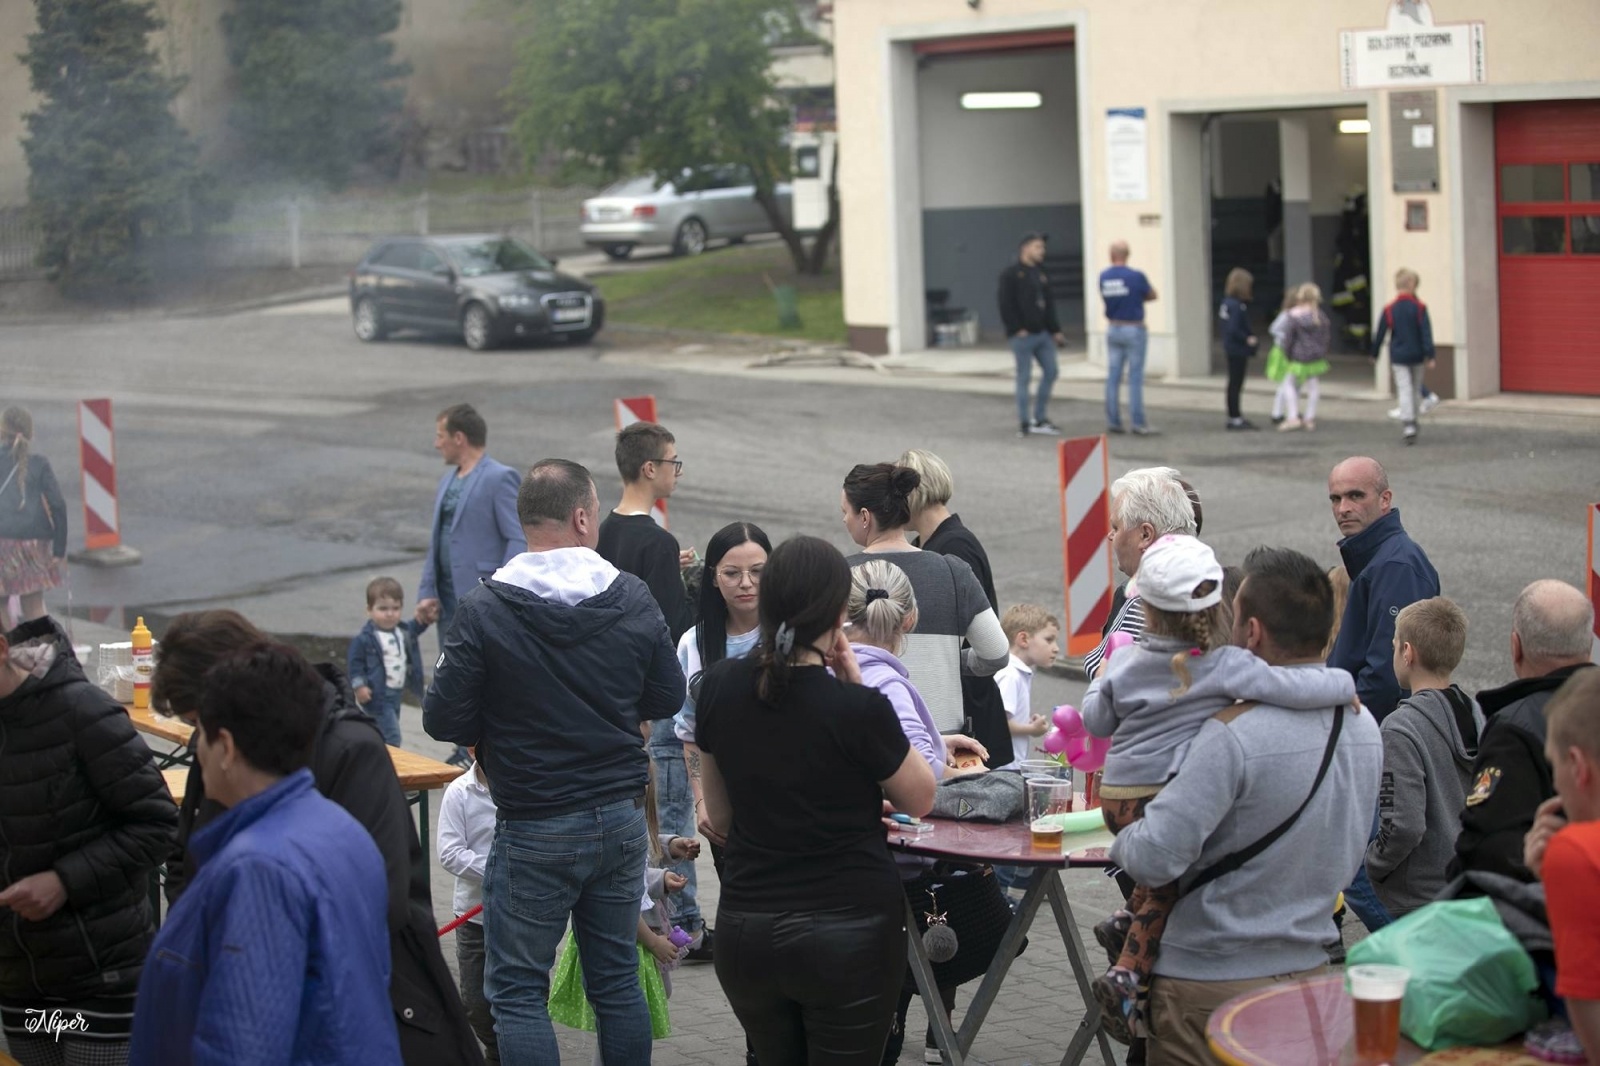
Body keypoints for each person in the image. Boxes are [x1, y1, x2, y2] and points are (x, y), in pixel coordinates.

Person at [424, 458, 685, 1065]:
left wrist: (496, 722)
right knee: (615, 978)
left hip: (534, 821)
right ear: (583, 517)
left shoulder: (485, 608)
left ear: (525, 521)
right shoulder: (632, 595)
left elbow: (442, 720)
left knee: (518, 991)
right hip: (619, 816)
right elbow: (667, 696)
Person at [153, 609, 483, 1066]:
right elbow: (185, 858)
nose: (198, 741)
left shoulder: (345, 751)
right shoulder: (223, 753)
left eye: (199, 724)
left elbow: (378, 901)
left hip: (349, 1003)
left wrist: (239, 948)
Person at [1110, 547, 1383, 1066]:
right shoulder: (1363, 726)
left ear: (1252, 631)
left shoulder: (1230, 734)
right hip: (1307, 978)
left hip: (1208, 988)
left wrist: (1121, 827)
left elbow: (1154, 858)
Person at [694, 535, 937, 1066]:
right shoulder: (856, 707)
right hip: (848, 932)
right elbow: (920, 797)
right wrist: (856, 689)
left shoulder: (717, 687)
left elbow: (722, 818)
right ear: (837, 614)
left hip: (748, 928)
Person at [130, 643, 398, 1066]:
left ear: (226, 747)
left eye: (201, 735)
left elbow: (241, 1044)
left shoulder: (259, 869)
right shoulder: (340, 828)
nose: (197, 751)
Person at [0, 617, 177, 1066]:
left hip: (102, 981)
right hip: (23, 987)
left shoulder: (81, 710)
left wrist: (63, 881)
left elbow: (158, 825)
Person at [844, 558, 983, 1066]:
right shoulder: (887, 683)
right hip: (893, 869)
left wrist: (937, 739)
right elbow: (917, 775)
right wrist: (947, 765)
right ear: (910, 619)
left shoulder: (833, 675)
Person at [841, 462, 1009, 735]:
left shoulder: (839, 575)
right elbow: (996, 654)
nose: (844, 520)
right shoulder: (954, 572)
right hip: (943, 742)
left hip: (865, 736)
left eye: (845, 512)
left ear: (864, 516)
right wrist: (947, 659)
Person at [675, 521, 773, 968]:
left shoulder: (792, 634)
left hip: (787, 801)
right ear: (713, 576)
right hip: (727, 809)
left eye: (758, 571)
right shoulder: (695, 644)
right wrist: (702, 802)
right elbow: (689, 732)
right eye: (733, 573)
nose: (746, 583)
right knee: (745, 918)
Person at [1455, 579, 1596, 882]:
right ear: (1588, 644)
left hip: (1557, 901)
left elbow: (1486, 851)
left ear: (1515, 646)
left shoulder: (1514, 730)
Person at [416, 403, 526, 768]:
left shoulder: (499, 477)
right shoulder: (448, 480)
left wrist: (498, 589)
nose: (437, 444)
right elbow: (438, 541)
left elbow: (516, 537)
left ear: (459, 438)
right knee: (453, 673)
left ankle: (479, 750)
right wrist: (427, 590)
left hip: (479, 597)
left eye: (440, 436)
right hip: (448, 598)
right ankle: (462, 745)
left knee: (482, 674)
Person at [1365, 597, 1483, 918]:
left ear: (1407, 652)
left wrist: (1374, 863)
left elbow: (1403, 826)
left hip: (1419, 899)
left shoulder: (1400, 729)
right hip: (1469, 885)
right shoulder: (1478, 715)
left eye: (1394, 646)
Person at [899, 448, 1014, 767]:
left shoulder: (954, 547)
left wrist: (938, 658)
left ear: (914, 492)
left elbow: (976, 637)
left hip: (969, 708)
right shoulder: (928, 544)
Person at [1523, 670, 1600, 1064]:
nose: (1556, 787)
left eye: (1554, 769)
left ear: (1577, 766)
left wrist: (1557, 883)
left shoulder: (1574, 853)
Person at [1325, 457, 1441, 721]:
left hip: (1371, 729)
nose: (1343, 508)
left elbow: (1386, 677)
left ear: (1385, 499)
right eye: (1335, 499)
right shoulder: (1377, 559)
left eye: (1356, 496)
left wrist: (1343, 727)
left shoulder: (1396, 566)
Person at [1082, 468, 1198, 680]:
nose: (1110, 536)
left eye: (1116, 527)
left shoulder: (1145, 603)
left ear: (1145, 534)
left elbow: (1109, 684)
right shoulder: (1217, 587)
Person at [598, 421, 695, 642]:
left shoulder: (605, 529)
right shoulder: (659, 543)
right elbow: (674, 628)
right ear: (650, 469)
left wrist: (668, 567)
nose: (679, 472)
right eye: (673, 462)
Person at [438, 748, 501, 1065]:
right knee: (476, 1002)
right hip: (473, 915)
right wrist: (497, 870)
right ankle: (496, 1049)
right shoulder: (459, 792)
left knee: (523, 996)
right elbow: (449, 852)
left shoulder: (530, 784)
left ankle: (510, 1051)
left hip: (522, 914)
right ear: (472, 749)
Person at [0, 408, 68, 631]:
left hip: (2, 542)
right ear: (31, 433)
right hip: (35, 544)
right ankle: (43, 650)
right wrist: (59, 549)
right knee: (33, 605)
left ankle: (9, 650)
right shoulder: (39, 463)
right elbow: (57, 504)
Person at [347, 575, 430, 747]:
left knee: (381, 731)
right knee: (392, 737)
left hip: (395, 693)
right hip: (377, 695)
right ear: (369, 610)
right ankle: (389, 761)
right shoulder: (364, 639)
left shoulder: (402, 631)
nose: (390, 614)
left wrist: (427, 618)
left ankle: (371, 754)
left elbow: (416, 627)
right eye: (383, 608)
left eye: (395, 608)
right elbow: (355, 665)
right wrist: (359, 686)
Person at [996, 232, 1065, 437]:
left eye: (1042, 247)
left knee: (1051, 371)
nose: (1042, 251)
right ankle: (1025, 422)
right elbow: (1005, 304)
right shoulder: (1011, 274)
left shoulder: (1041, 272)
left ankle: (1040, 417)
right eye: (1037, 247)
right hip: (1023, 336)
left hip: (1043, 333)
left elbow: (1049, 304)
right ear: (1025, 248)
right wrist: (1016, 328)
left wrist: (1055, 330)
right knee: (1024, 377)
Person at [1099, 240, 1158, 436]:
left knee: (1113, 376)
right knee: (1135, 377)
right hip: (1133, 328)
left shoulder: (1104, 277)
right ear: (1127, 255)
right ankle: (1137, 422)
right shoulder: (1136, 276)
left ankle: (1113, 421)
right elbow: (1152, 295)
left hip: (1113, 327)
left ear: (1111, 255)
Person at [1372, 268, 1436, 445]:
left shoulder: (1389, 309)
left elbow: (1380, 333)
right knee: (1415, 388)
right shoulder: (1420, 308)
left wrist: (1375, 353)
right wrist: (1430, 354)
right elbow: (1426, 333)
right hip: (1417, 355)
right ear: (1412, 285)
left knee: (1404, 388)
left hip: (1398, 355)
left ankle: (1408, 424)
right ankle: (1414, 418)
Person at [996, 603, 1059, 767]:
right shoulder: (1010, 675)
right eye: (1049, 640)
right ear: (1023, 639)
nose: (1056, 648)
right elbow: (998, 723)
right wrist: (1032, 730)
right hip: (1004, 768)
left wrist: (1027, 724)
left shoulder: (1015, 672)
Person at [1273, 284, 1332, 432]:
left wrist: (1287, 354)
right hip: (1315, 357)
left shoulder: (1293, 316)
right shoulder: (1320, 316)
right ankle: (1309, 418)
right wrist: (1322, 351)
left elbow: (1288, 338)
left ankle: (1293, 417)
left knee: (1288, 384)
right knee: (1313, 387)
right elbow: (1325, 338)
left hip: (1298, 357)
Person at [1218, 268, 1260, 430]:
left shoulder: (1226, 303)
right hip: (1237, 348)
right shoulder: (1237, 306)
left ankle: (1233, 415)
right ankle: (1235, 417)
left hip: (1230, 347)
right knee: (1236, 383)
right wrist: (1247, 338)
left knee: (1233, 383)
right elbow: (1234, 328)